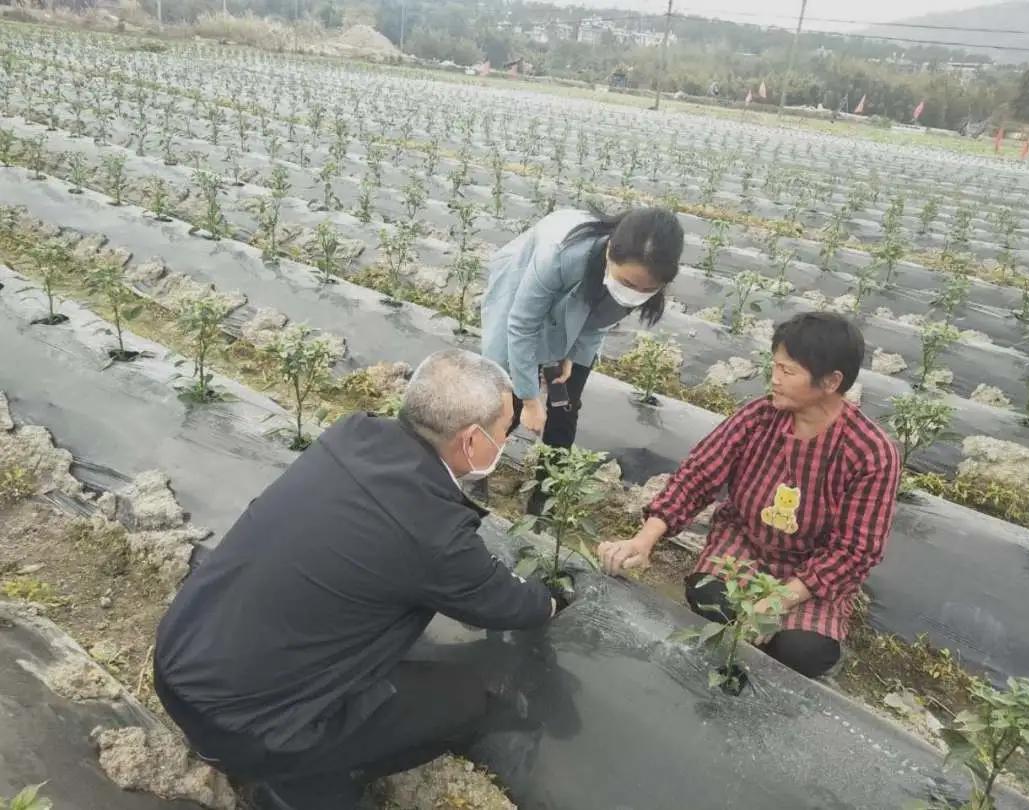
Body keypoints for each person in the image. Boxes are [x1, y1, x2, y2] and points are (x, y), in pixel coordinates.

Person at [153, 350, 564, 810]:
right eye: (506, 429)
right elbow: (513, 605)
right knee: (467, 698)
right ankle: (301, 784)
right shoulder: (432, 530)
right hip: (251, 729)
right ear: (471, 440)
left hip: (178, 662)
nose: (508, 439)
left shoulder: (352, 434)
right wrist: (553, 599)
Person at [598, 313, 901, 679]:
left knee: (802, 651)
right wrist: (645, 538)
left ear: (831, 381)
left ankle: (761, 659)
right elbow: (698, 475)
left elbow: (855, 550)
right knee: (710, 596)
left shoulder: (870, 452)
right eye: (774, 366)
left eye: (788, 371)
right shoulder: (758, 417)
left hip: (810, 571)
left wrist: (772, 604)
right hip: (745, 544)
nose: (774, 378)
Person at [481, 206, 684, 511]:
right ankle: (475, 471)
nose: (635, 293)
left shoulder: (642, 279)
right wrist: (531, 398)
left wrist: (569, 353)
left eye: (648, 289)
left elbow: (597, 321)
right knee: (507, 399)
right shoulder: (560, 255)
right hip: (523, 292)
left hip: (577, 314)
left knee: (565, 405)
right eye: (628, 284)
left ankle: (544, 500)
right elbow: (522, 325)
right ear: (609, 256)